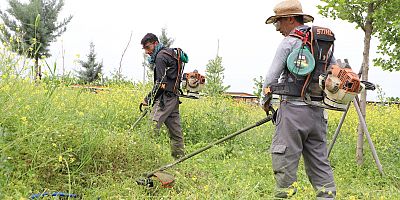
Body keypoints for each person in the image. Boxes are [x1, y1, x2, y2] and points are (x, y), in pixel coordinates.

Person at [261, 0, 336, 199]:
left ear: (290, 20)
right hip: (318, 114)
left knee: (283, 159)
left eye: (278, 23)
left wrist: (265, 101)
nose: (277, 29)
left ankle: (283, 196)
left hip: (292, 113)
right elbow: (334, 74)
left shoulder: (289, 42)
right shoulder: (323, 43)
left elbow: (270, 79)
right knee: (320, 163)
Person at [140, 33, 185, 160]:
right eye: (145, 49)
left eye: (148, 47)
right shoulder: (170, 53)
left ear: (155, 43)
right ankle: (179, 159)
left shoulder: (160, 57)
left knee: (151, 128)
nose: (147, 52)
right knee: (176, 133)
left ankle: (143, 159)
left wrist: (148, 99)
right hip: (174, 97)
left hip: (165, 99)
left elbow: (160, 84)